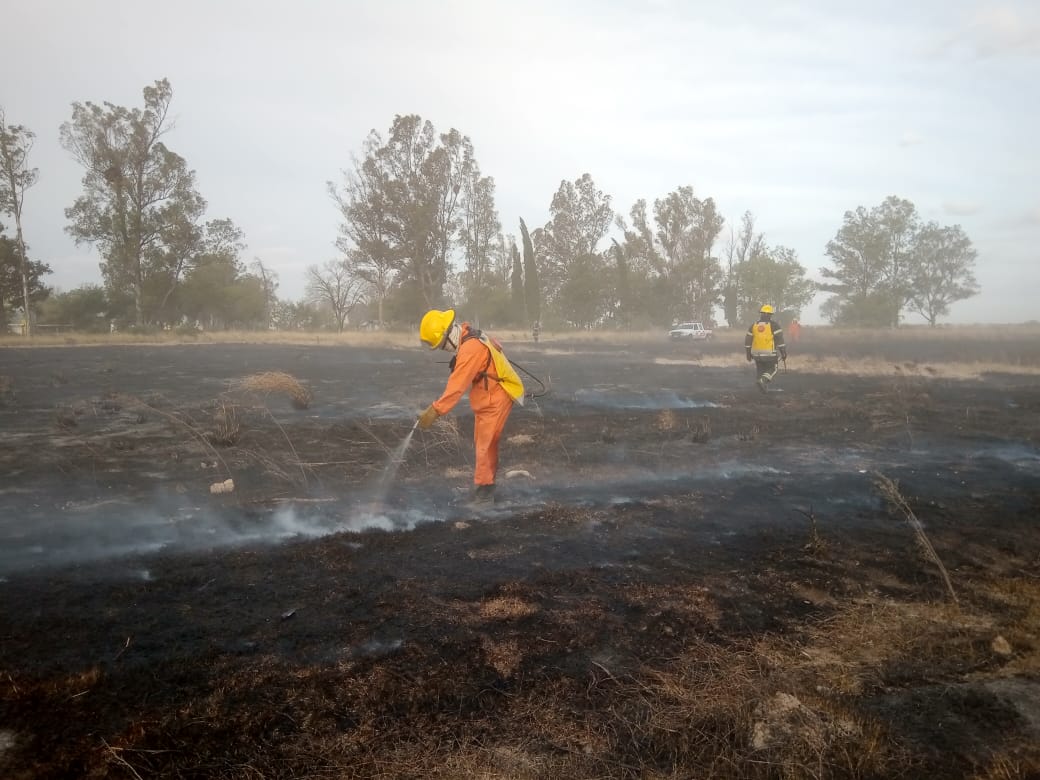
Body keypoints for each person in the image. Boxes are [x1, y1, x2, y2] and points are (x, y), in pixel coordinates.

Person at [417, 309, 525, 505]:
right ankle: (484, 485)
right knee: (483, 443)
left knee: (485, 445)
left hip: (496, 396)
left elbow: (456, 387)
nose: (444, 349)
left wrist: (435, 411)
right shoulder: (467, 335)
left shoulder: (470, 349)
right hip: (487, 396)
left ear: (448, 335)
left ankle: (485, 494)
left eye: (442, 345)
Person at [744, 304, 787, 393]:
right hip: (769, 353)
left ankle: (761, 390)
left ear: (761, 313)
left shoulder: (753, 325)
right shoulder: (774, 325)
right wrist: (783, 352)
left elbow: (748, 340)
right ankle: (762, 381)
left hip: (756, 354)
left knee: (761, 370)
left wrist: (748, 353)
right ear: (770, 315)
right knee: (773, 369)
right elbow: (780, 340)